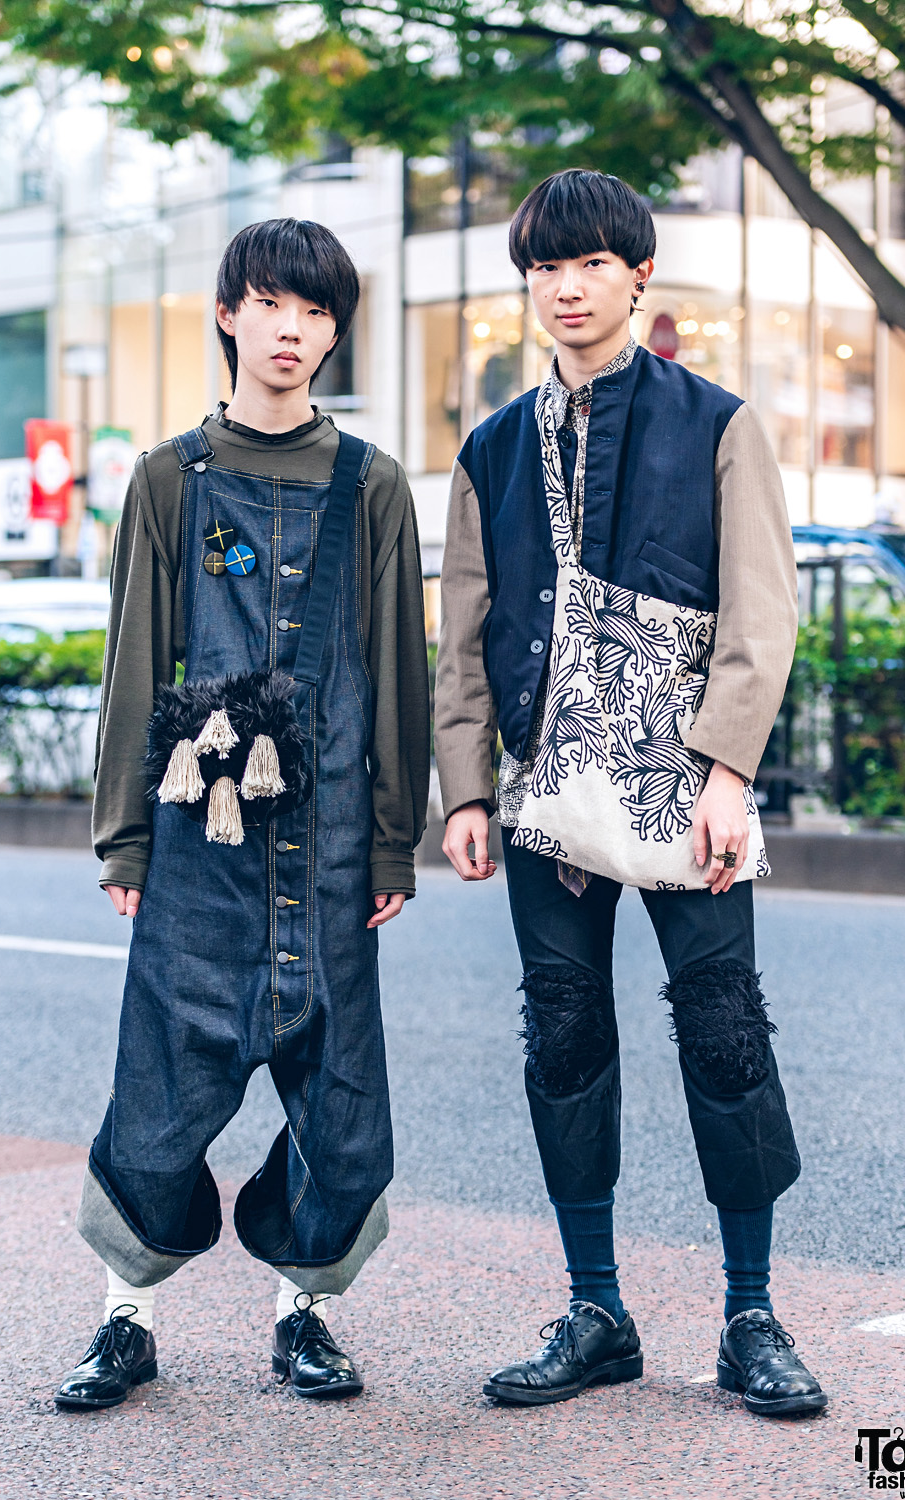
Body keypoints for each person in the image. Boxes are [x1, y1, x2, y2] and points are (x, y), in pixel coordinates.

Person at [435, 169, 826, 1416]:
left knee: (723, 1029)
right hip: (544, 790)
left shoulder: (716, 421)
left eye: (592, 262)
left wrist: (727, 772)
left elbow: (764, 616)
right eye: (546, 266)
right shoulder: (492, 448)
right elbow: (465, 633)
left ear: (637, 275)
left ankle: (751, 1314)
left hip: (685, 789)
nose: (566, 284)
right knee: (564, 1036)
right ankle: (595, 1309)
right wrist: (464, 788)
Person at [55, 218, 429, 1411]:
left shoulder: (373, 486)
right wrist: (122, 834)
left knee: (344, 1116)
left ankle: (303, 1312)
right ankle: (127, 1319)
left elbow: (396, 675)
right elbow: (137, 661)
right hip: (194, 838)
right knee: (161, 1099)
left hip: (324, 847)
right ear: (228, 313)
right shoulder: (171, 478)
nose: (293, 331)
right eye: (271, 304)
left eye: (317, 313)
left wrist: (389, 839)